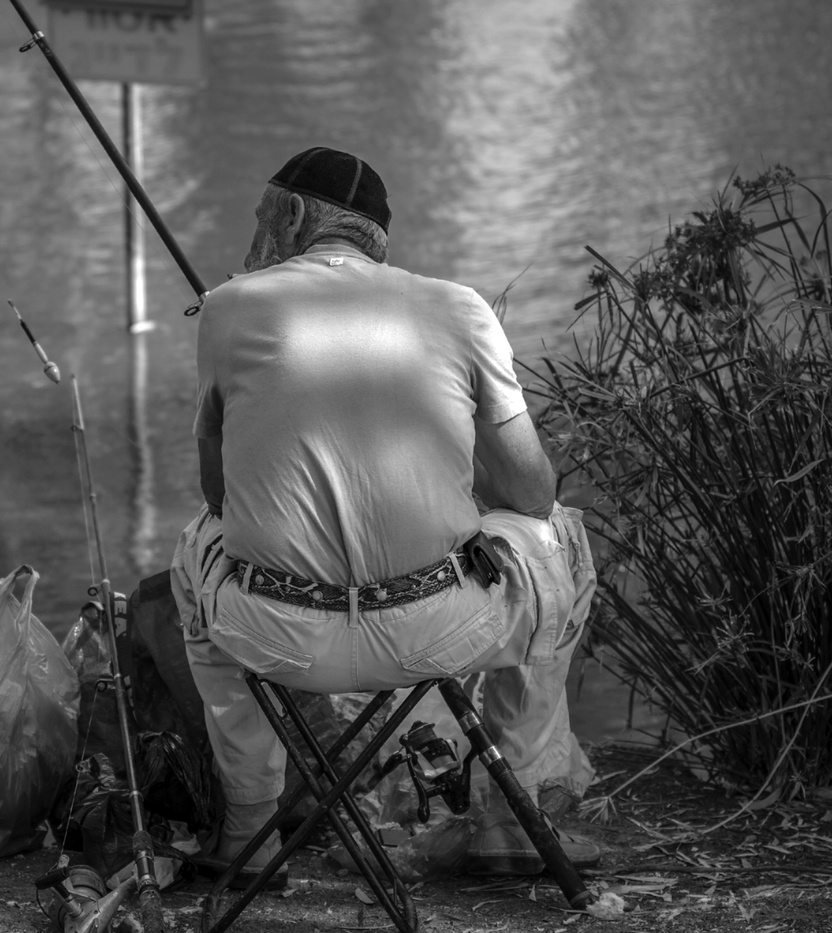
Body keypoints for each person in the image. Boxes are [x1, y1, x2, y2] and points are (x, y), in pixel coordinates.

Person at [170, 146, 600, 889]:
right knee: (559, 535)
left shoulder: (227, 307)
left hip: (277, 634)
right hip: (436, 632)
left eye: (261, 215)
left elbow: (218, 496)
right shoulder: (459, 308)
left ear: (296, 216)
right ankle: (513, 817)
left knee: (193, 549)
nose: (253, 233)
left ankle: (249, 829)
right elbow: (534, 492)